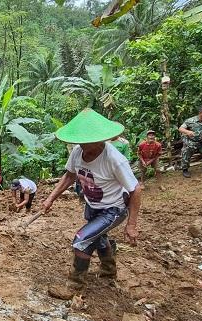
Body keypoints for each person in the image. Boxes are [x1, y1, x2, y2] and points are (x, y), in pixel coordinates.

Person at [41, 109, 142, 299]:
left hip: (113, 209)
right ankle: (108, 272)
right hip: (93, 205)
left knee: (81, 241)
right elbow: (70, 175)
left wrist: (132, 225)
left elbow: (135, 189)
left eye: (86, 141)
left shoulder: (114, 160)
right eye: (79, 141)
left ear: (100, 139)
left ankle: (74, 286)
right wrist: (50, 198)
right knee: (99, 237)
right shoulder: (78, 153)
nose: (81, 145)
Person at [178, 106, 202, 178]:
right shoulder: (190, 120)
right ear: (200, 113)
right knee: (186, 154)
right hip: (191, 142)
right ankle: (185, 170)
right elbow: (180, 128)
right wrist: (188, 131)